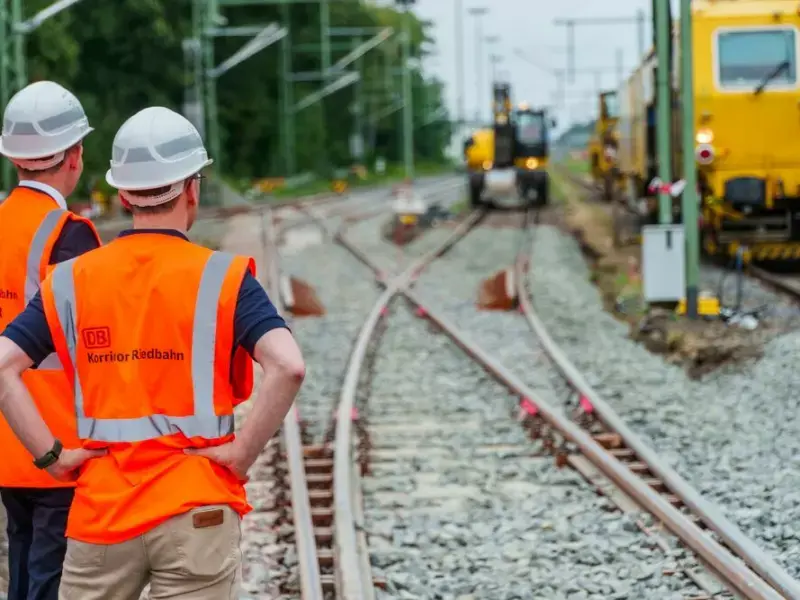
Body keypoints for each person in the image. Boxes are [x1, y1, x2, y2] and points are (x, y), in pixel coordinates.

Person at [0, 106, 305, 599]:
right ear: (192, 188)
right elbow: (288, 366)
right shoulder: (224, 278)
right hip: (196, 507)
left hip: (102, 514)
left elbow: (3, 367)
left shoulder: (72, 280)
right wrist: (241, 453)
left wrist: (52, 457)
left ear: (123, 193)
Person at [0, 80, 100, 600]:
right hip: (57, 439)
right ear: (74, 155)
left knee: (21, 562)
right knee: (50, 579)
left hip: (6, 437)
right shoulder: (68, 233)